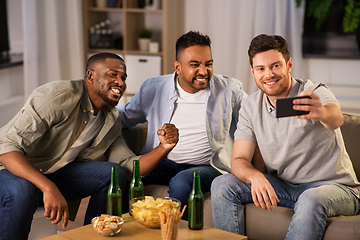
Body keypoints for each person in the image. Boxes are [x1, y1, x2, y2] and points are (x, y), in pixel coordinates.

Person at [0, 52, 178, 240]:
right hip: (9, 171)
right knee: (22, 190)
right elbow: (7, 149)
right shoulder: (58, 96)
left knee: (113, 174)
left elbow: (130, 167)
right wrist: (48, 187)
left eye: (123, 77)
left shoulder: (110, 119)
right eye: (112, 74)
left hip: (52, 174)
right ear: (91, 76)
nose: (120, 82)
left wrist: (164, 147)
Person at [211, 34, 360, 239]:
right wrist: (256, 176)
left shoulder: (312, 90)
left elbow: (335, 118)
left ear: (289, 65)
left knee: (310, 199)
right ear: (253, 72)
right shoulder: (251, 106)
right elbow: (238, 160)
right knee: (222, 184)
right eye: (261, 69)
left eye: (275, 66)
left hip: (335, 188)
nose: (269, 74)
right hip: (286, 187)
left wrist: (323, 113)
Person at [117, 31, 247, 219]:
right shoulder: (154, 87)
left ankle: (173, 233)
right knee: (124, 175)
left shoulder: (229, 89)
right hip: (163, 161)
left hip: (208, 166)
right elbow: (124, 116)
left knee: (182, 180)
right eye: (194, 65)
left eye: (208, 64)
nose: (203, 71)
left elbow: (254, 117)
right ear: (177, 67)